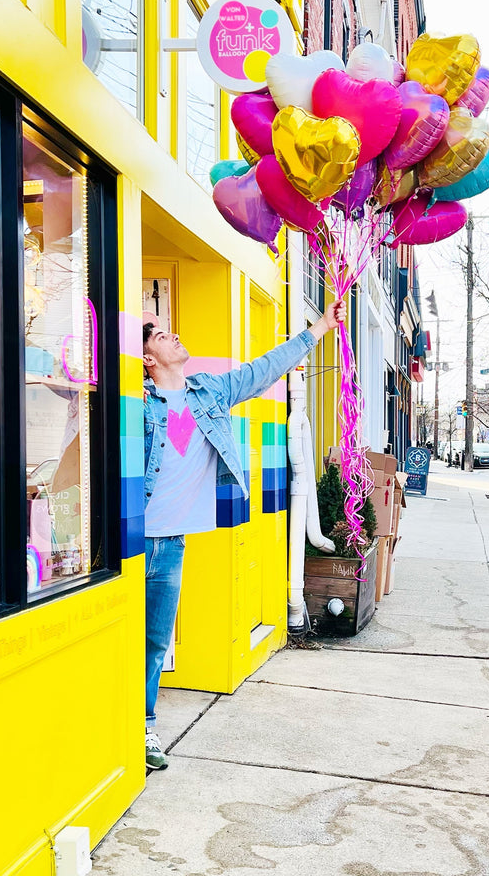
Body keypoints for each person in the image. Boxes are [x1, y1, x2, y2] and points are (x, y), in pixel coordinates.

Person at [140, 300, 346, 771]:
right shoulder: (135, 402)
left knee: (154, 643)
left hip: (171, 544)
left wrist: (319, 328)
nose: (174, 335)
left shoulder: (208, 392)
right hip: (129, 543)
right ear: (148, 358)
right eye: (161, 335)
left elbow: (264, 369)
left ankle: (142, 726)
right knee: (124, 640)